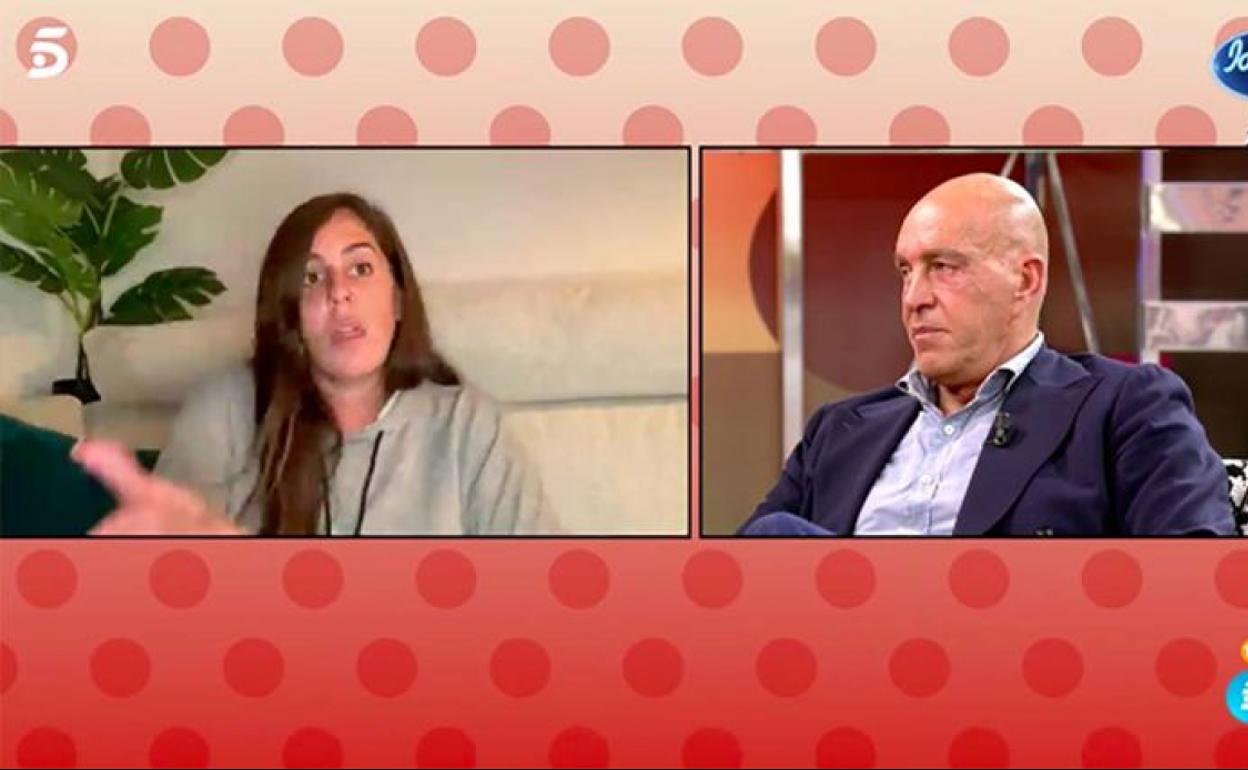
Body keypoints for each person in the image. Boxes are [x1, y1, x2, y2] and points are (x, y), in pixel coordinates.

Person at [740, 173, 1236, 537]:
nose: (914, 298)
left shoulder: (1124, 406)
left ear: (1025, 280)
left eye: (943, 266)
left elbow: (1191, 579)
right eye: (906, 271)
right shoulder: (839, 431)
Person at [74, 192, 558, 536]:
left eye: (360, 268)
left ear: (397, 299)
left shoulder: (465, 425)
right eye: (311, 277)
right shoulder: (227, 406)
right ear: (289, 315)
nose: (339, 291)